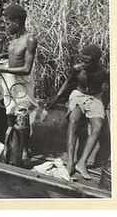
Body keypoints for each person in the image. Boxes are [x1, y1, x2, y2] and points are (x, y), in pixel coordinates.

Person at [46, 44, 110, 179]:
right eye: (82, 60)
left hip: (95, 97)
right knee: (73, 120)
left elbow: (110, 88)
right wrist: (56, 98)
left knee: (98, 127)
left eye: (87, 62)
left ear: (97, 60)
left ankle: (82, 163)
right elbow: (68, 83)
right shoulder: (77, 69)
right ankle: (69, 163)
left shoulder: (105, 71)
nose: (83, 64)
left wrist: (105, 105)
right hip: (78, 95)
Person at [0, 3, 38, 166]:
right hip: (10, 81)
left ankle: (25, 150)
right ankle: (11, 148)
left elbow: (26, 69)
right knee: (11, 116)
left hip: (21, 84)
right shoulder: (14, 38)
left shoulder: (30, 40)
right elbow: (15, 55)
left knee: (22, 119)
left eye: (7, 23)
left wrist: (3, 69)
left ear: (17, 22)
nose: (5, 26)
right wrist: (3, 55)